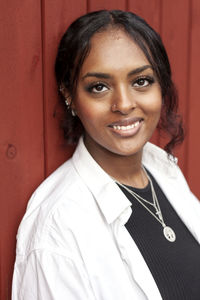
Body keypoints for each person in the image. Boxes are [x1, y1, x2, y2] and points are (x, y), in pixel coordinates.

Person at [12, 10, 200, 300]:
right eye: (99, 87)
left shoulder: (163, 169)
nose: (124, 104)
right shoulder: (58, 229)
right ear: (69, 95)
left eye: (141, 81)